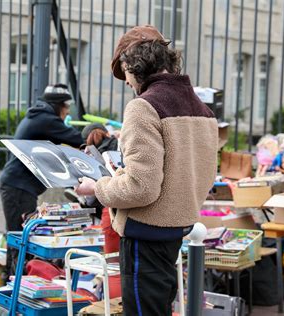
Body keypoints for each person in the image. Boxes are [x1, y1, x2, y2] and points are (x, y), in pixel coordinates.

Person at [76, 25, 218, 315]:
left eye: (124, 72)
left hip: (146, 234)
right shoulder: (202, 110)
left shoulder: (143, 107)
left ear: (134, 64)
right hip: (176, 228)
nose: (127, 82)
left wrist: (97, 187)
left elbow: (141, 187)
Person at [0, 83, 83, 277]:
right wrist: (98, 136)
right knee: (20, 239)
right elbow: (76, 138)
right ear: (58, 106)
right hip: (18, 187)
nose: (68, 111)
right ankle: (14, 287)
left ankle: (13, 282)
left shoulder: (39, 116)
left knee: (20, 237)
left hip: (17, 186)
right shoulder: (46, 120)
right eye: (66, 106)